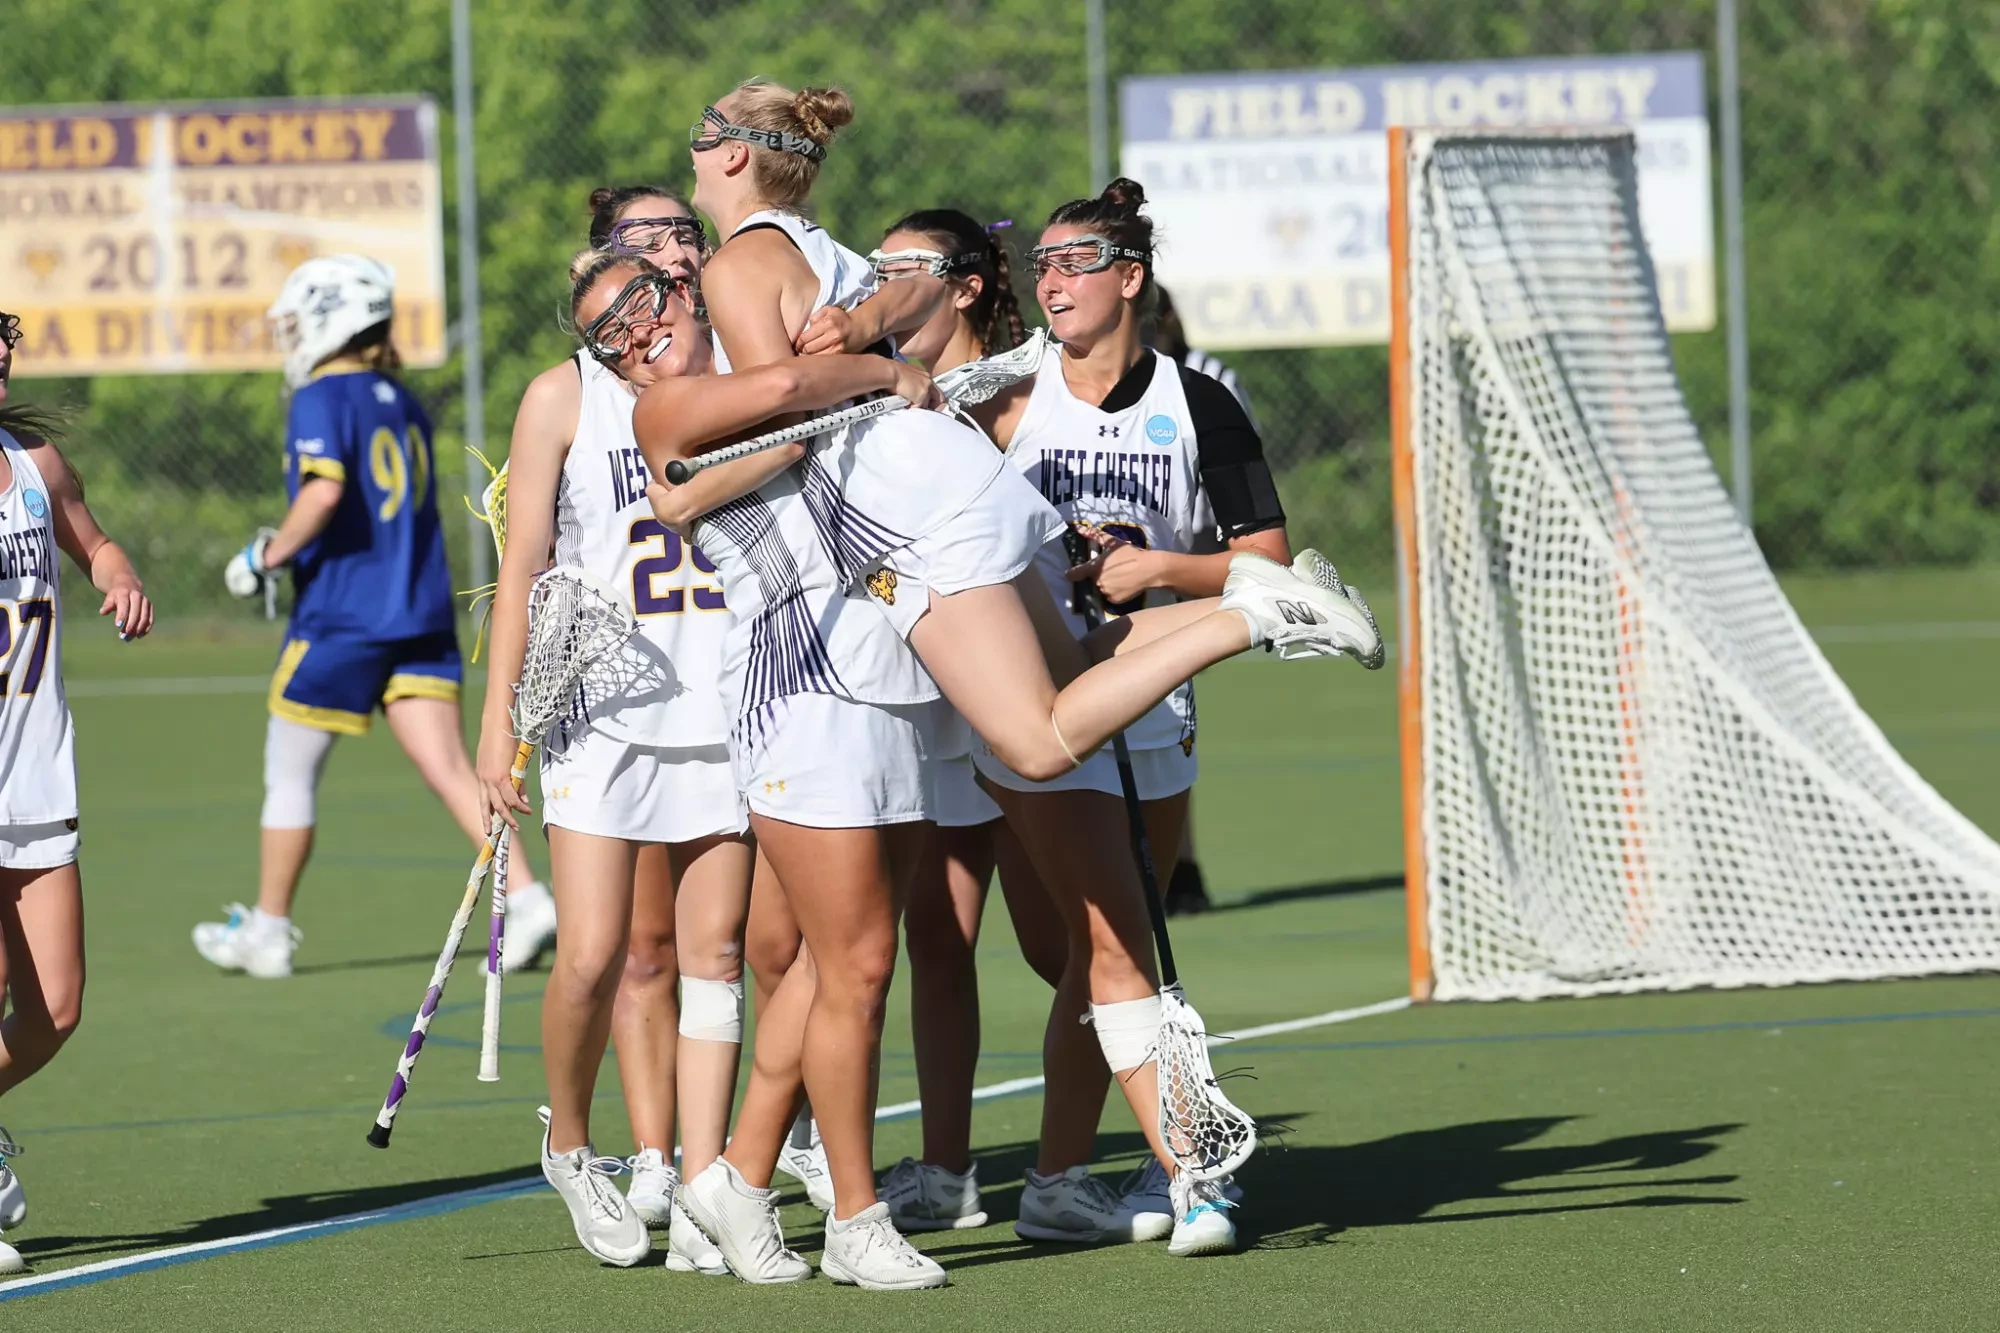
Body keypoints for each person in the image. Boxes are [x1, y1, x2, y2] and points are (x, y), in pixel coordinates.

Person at [635, 78, 1384, 1289]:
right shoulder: (838, 259)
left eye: (640, 295)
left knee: (985, 836)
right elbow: (907, 295)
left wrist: (829, 393)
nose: (639, 311)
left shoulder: (743, 269)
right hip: (924, 568)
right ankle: (747, 1173)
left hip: (896, 576)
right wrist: (872, 339)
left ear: (725, 157)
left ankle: (1244, 611)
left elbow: (781, 403)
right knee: (1008, 933)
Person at [969, 179, 1307, 1255]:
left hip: (1153, 700)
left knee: (1101, 954)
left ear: (1129, 280)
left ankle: (1059, 1179)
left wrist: (1162, 568)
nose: (1052, 281)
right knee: (1097, 949)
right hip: (1030, 706)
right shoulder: (1004, 394)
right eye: (1043, 265)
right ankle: (1193, 1169)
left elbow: (1265, 566)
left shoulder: (1197, 402)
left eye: (1076, 264)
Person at [476, 243, 753, 1274]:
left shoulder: (737, 369)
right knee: (590, 953)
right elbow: (523, 565)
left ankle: (699, 1182)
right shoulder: (561, 399)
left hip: (723, 701)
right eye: (607, 331)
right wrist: (496, 723)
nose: (635, 340)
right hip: (601, 711)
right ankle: (568, 1145)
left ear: (680, 291)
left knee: (713, 959)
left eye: (643, 311)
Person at [190, 257, 545, 979]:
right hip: (418, 611)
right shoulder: (402, 398)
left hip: (345, 616)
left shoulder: (323, 396)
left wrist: (266, 555)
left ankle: (269, 927)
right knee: (450, 768)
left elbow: (323, 494)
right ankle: (530, 899)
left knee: (288, 772)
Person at [858, 212, 1073, 1235]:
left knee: (1062, 945)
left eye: (907, 267)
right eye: (877, 265)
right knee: (934, 938)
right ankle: (944, 1174)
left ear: (968, 288)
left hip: (1022, 701)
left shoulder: (1027, 399)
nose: (882, 282)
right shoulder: (880, 399)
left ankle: (1142, 1143)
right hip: (928, 709)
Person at [0, 310, 156, 1274]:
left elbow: (90, 542)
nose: (4, 352)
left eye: (3, 334)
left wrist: (116, 567)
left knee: (56, 1005)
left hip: (37, 769)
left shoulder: (34, 464)